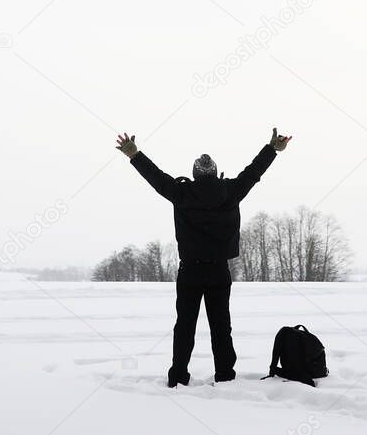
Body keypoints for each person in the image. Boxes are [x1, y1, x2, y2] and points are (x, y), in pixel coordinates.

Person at [115, 127, 292, 388]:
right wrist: (272, 150)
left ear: (196, 175)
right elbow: (253, 173)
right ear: (214, 173)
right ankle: (225, 375)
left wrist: (134, 154)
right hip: (219, 271)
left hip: (189, 272)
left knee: (184, 326)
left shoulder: (182, 192)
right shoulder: (231, 191)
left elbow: (156, 178)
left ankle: (178, 377)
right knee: (221, 326)